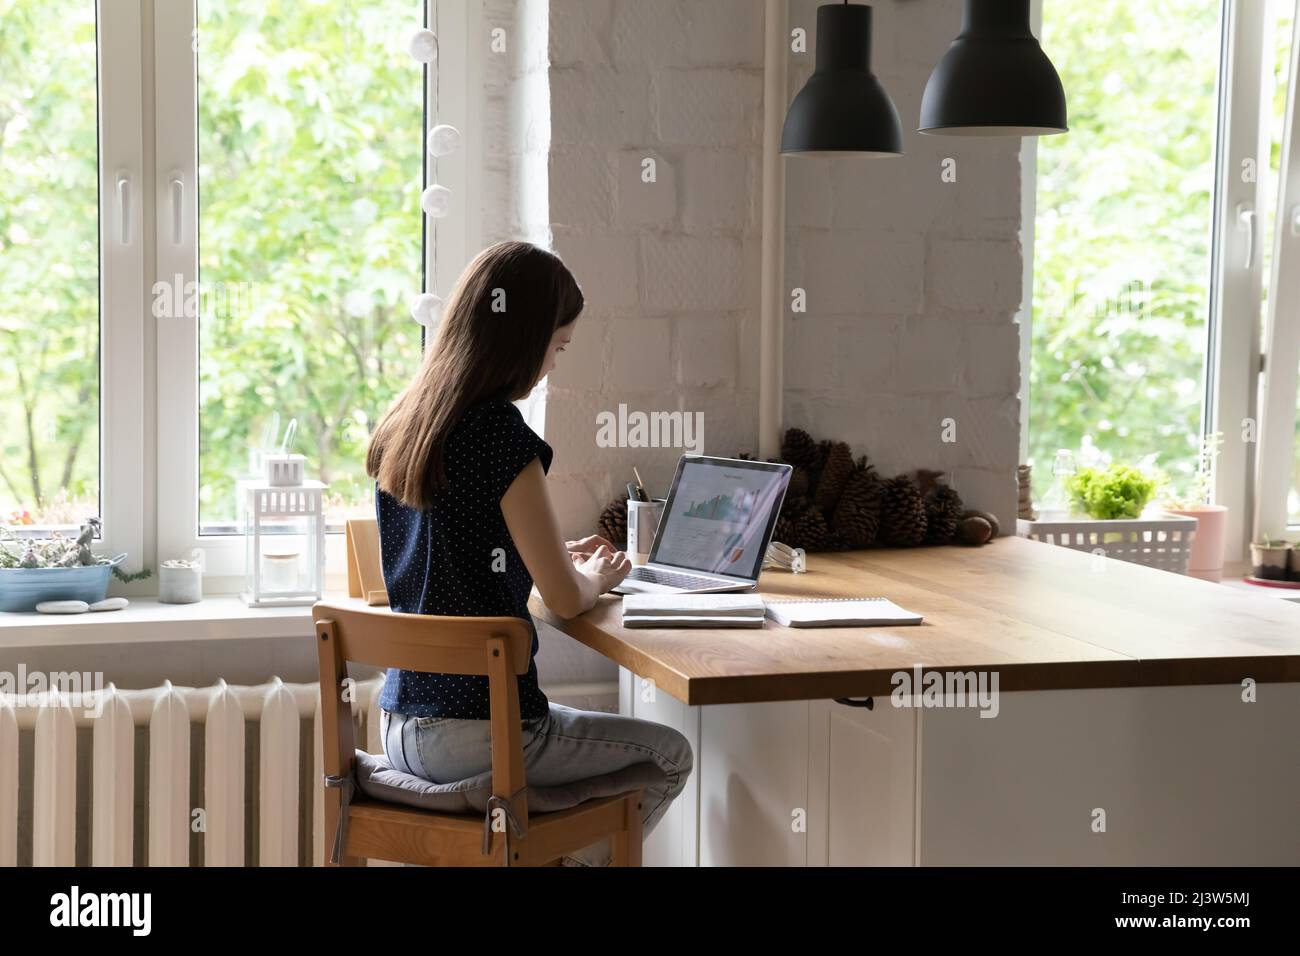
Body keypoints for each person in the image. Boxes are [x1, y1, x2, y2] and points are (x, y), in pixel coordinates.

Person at [365, 240, 693, 865]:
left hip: (402, 728)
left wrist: (533, 553)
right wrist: (597, 573)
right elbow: (566, 599)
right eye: (558, 346)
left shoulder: (406, 424)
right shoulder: (498, 434)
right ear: (523, 339)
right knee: (668, 754)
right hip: (479, 735)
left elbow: (449, 554)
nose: (553, 365)